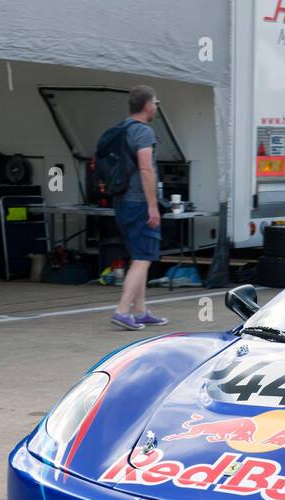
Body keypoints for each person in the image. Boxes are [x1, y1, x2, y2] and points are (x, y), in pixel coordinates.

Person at [110, 85, 166, 330]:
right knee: (143, 258)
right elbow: (145, 169)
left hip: (122, 200)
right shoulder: (143, 132)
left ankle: (140, 310)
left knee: (139, 256)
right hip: (139, 202)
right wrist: (153, 206)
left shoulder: (121, 129)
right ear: (147, 106)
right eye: (155, 103)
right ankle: (123, 310)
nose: (156, 107)